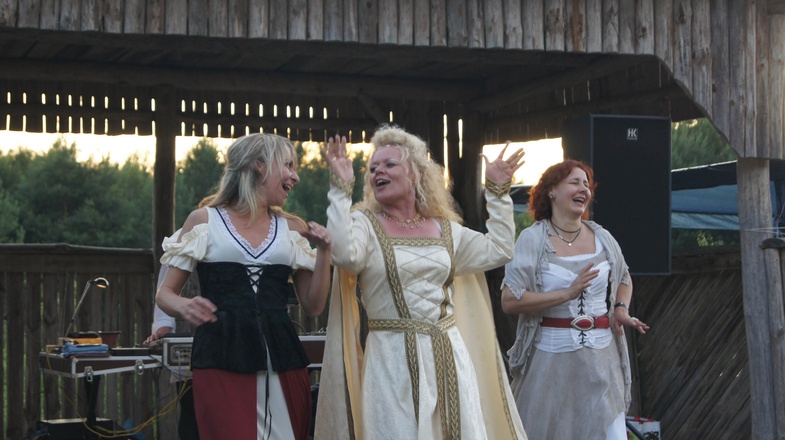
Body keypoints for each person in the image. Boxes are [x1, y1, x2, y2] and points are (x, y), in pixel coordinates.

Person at [314, 124, 528, 440]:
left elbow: (500, 249)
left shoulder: (445, 229)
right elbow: (344, 256)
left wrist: (497, 193)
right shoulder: (365, 224)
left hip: (449, 355)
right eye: (373, 168)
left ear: (415, 173)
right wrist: (340, 190)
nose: (377, 172)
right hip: (391, 361)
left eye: (389, 164)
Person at [155, 133, 332, 440]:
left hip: (283, 359)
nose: (295, 176)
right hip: (222, 357)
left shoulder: (293, 228)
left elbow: (313, 306)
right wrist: (185, 305)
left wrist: (325, 253)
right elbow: (164, 294)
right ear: (259, 166)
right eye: (288, 165)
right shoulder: (204, 221)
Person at [501, 159, 650, 440]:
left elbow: (624, 277)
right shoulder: (533, 239)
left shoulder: (603, 237)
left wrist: (620, 308)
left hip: (601, 360)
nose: (584, 189)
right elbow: (509, 300)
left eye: (587, 184)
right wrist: (566, 294)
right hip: (551, 361)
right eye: (574, 182)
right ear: (552, 191)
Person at [144, 265, 200, 440]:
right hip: (187, 342)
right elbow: (166, 286)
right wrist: (163, 325)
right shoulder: (180, 250)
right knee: (191, 409)